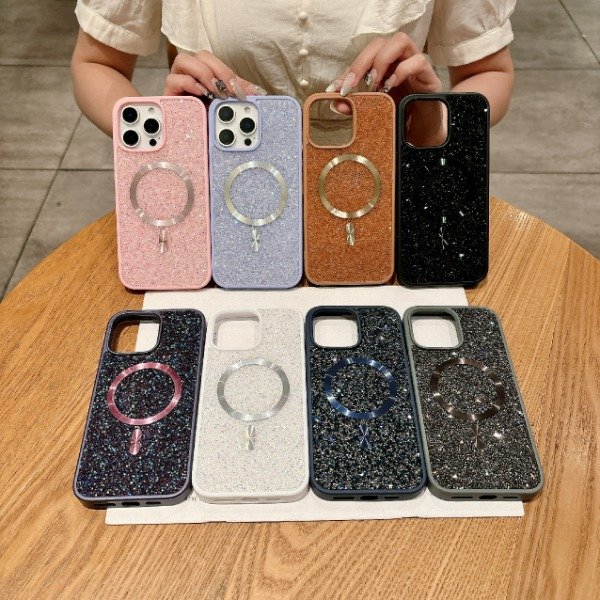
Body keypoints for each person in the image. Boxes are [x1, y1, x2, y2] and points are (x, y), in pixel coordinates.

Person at [71, 0, 516, 145]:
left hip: (390, 197)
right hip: (217, 202)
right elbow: (96, 63)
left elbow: (489, 72)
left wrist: (435, 120)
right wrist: (163, 130)